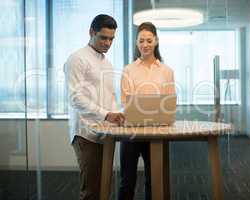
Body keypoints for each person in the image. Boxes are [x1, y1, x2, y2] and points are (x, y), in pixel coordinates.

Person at [64, 14, 124, 200]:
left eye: (111, 39)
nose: (107, 43)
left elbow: (109, 98)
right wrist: (107, 115)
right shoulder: (77, 59)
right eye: (103, 37)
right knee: (91, 190)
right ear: (91, 32)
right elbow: (75, 98)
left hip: (105, 133)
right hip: (86, 133)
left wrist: (119, 116)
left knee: (103, 187)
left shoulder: (106, 62)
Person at [118, 22, 176, 200]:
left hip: (156, 132)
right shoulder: (128, 70)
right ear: (136, 43)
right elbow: (125, 101)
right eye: (141, 41)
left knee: (154, 180)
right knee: (127, 180)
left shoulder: (167, 71)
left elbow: (169, 102)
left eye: (149, 40)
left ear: (156, 41)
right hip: (131, 132)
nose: (145, 45)